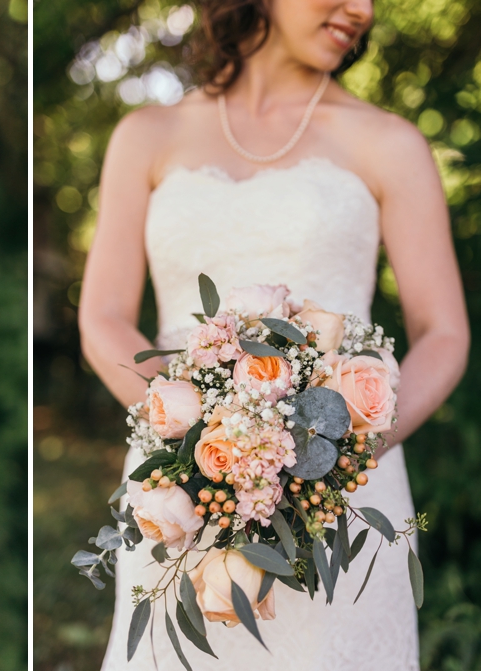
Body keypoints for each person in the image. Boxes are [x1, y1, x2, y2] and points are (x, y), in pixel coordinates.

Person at [78, 0, 469, 669]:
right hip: (186, 489)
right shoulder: (146, 136)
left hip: (342, 498)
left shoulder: (389, 143)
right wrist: (199, 438)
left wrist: (339, 453)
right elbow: (102, 317)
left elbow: (444, 333)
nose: (362, 9)